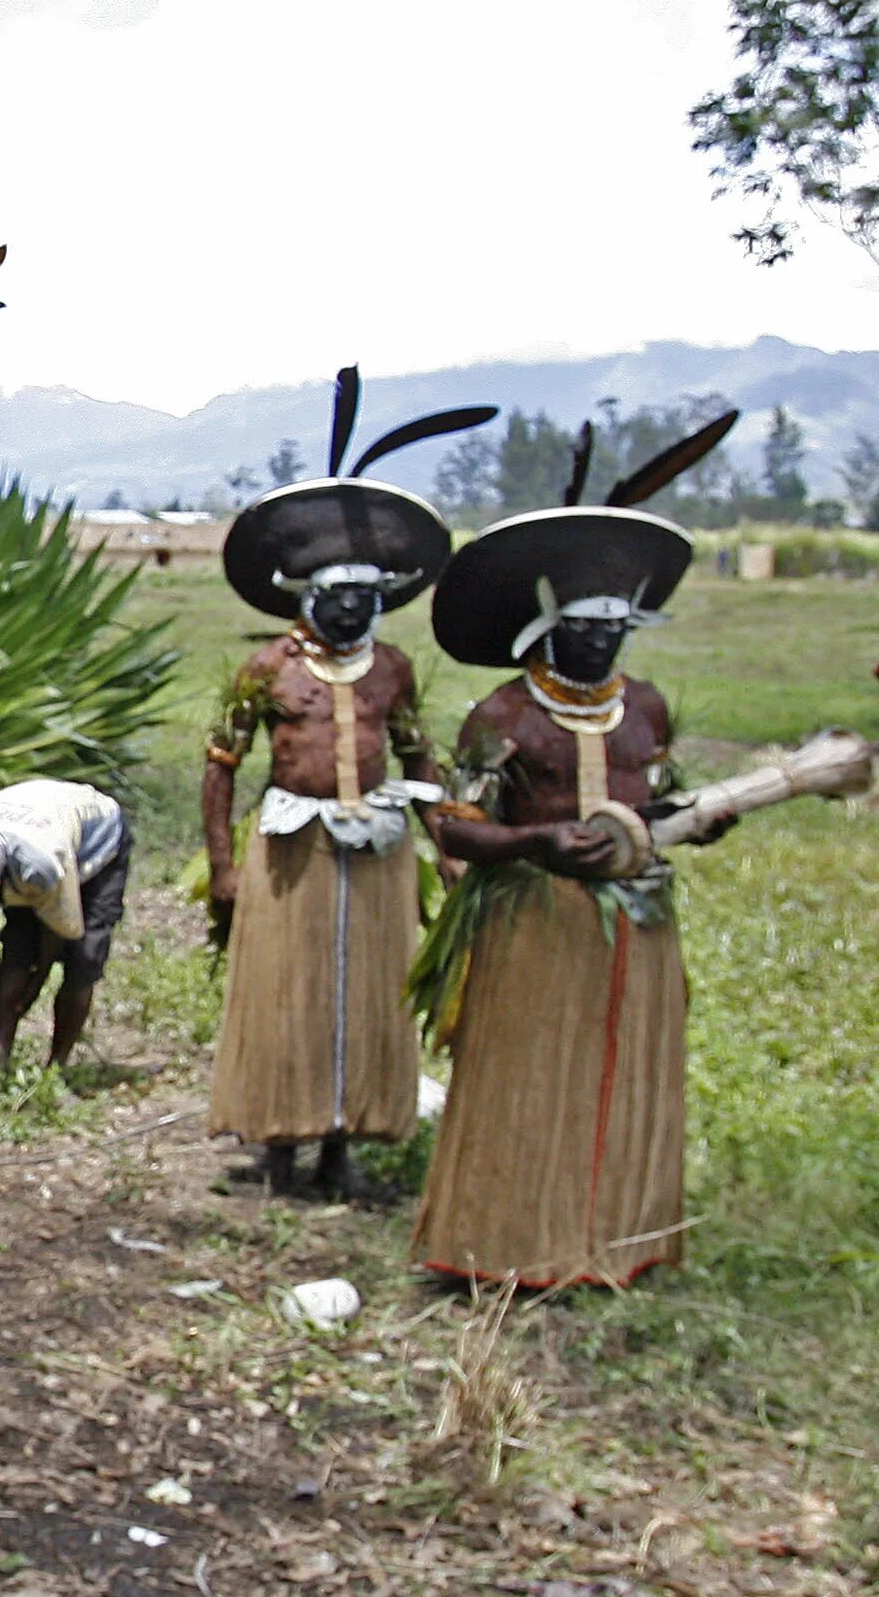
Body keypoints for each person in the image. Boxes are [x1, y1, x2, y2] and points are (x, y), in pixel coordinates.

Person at [411, 452, 735, 1290]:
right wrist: (534, 844)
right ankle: (508, 1245)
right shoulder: (507, 715)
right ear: (546, 624)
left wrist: (700, 825)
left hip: (639, 925)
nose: (601, 640)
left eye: (616, 626)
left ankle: (618, 1239)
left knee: (629, 1068)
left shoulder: (648, 709)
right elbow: (454, 826)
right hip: (536, 921)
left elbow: (660, 806)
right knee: (526, 1071)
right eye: (585, 626)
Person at [203, 396, 483, 1200]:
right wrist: (224, 867)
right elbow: (220, 766)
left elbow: (419, 755)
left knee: (369, 992)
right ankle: (279, 1146)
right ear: (306, 595)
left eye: (368, 596)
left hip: (380, 851)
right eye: (339, 595)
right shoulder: (265, 669)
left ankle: (341, 1147)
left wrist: (447, 840)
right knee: (285, 990)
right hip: (291, 848)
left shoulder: (392, 668)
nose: (354, 608)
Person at [0, 775, 133, 1076]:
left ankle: (56, 1068)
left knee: (83, 959)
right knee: (17, 949)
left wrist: (35, 987)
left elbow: (59, 930)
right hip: (40, 822)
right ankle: (0, 1056)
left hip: (97, 843)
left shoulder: (43, 867)